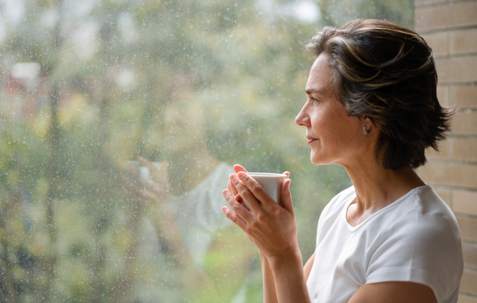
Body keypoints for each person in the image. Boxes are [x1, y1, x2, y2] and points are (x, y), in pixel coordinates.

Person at [222, 19, 463, 303]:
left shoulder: (418, 237)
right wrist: (267, 244)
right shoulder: (340, 208)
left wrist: (283, 253)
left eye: (316, 100)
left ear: (370, 113)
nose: (301, 118)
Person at [120, 97, 256, 303]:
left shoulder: (235, 192)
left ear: (210, 113)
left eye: (181, 105)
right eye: (161, 105)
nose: (167, 117)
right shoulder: (146, 183)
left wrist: (164, 219)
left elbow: (217, 298)